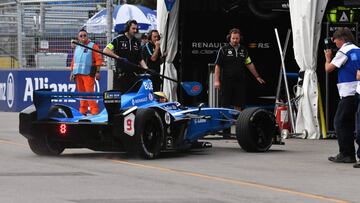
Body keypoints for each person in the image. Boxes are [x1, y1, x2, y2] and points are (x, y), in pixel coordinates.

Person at [324, 27, 359, 165]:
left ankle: (346, 154)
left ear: (342, 39)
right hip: (358, 90)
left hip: (348, 91)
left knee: (340, 122)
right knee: (351, 122)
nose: (335, 43)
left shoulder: (343, 51)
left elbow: (329, 69)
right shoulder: (358, 49)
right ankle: (350, 153)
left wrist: (328, 58)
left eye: (335, 40)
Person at [214, 28, 265, 111]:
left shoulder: (244, 50)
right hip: (226, 81)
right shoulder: (223, 49)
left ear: (240, 38)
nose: (235, 40)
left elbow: (249, 64)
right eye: (233, 38)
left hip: (239, 81)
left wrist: (257, 76)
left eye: (237, 38)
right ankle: (224, 122)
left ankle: (237, 122)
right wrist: (216, 81)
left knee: (238, 103)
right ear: (229, 38)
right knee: (224, 103)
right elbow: (217, 65)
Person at [103, 20, 148, 93]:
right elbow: (106, 50)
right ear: (127, 28)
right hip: (120, 75)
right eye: (133, 28)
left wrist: (146, 69)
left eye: (136, 29)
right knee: (121, 98)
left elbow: (140, 59)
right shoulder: (117, 40)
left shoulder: (137, 42)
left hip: (133, 75)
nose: (135, 30)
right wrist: (118, 58)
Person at [70, 29, 103, 116]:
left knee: (89, 94)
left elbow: (98, 60)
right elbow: (74, 60)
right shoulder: (77, 47)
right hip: (78, 74)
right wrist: (72, 72)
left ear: (87, 36)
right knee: (81, 94)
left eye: (85, 35)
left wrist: (98, 72)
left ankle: (94, 111)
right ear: (78, 38)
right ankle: (82, 111)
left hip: (88, 74)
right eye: (81, 36)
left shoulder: (93, 46)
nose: (83, 37)